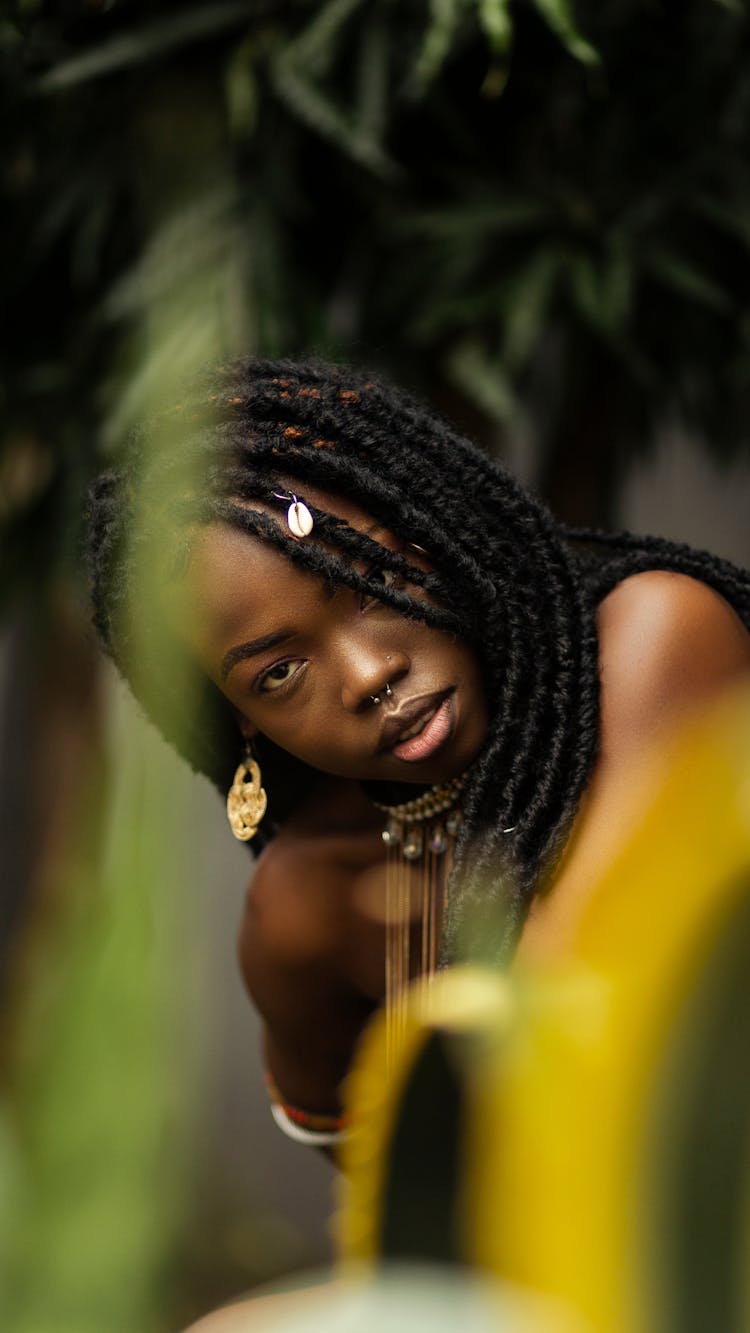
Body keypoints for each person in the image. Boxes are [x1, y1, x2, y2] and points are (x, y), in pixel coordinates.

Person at [87, 356, 750, 1144]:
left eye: (370, 579)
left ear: (431, 527)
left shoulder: (656, 642)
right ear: (242, 723)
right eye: (280, 671)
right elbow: (393, 1211)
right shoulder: (306, 906)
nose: (369, 675)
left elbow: (618, 1032)